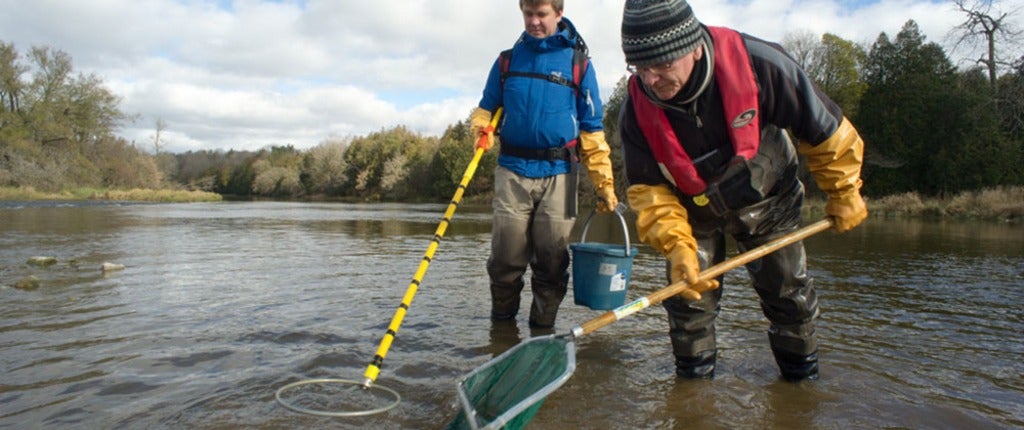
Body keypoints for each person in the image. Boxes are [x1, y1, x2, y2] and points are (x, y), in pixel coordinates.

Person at [617, 0, 868, 381]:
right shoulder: (634, 112)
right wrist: (677, 245)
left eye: (662, 65)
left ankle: (801, 385)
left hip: (768, 198)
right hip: (691, 211)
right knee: (687, 303)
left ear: (694, 47)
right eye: (640, 67)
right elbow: (649, 192)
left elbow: (826, 131)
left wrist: (844, 191)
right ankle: (692, 394)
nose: (650, 79)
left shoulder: (761, 64)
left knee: (788, 296)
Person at [470, 0, 617, 330]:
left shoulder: (579, 65)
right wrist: (482, 128)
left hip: (561, 176)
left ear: (559, 14)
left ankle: (542, 331)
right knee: (505, 259)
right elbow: (486, 107)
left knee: (552, 261)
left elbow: (592, 130)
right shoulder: (506, 61)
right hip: (512, 171)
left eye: (542, 14)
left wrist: (604, 184)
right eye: (528, 14)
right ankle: (502, 329)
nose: (534, 22)